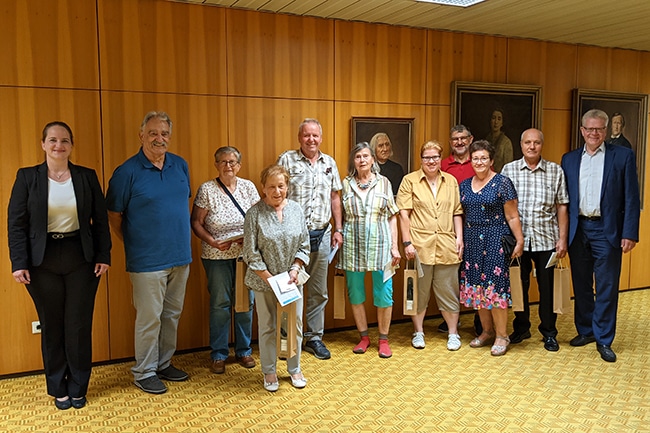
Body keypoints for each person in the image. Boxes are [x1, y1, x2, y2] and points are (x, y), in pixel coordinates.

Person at [8, 121, 111, 410]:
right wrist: (19, 263)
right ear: (43, 144)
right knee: (52, 325)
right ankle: (58, 386)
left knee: (78, 325)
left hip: (82, 257)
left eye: (64, 140)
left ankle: (79, 385)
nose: (58, 145)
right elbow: (16, 224)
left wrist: (104, 255)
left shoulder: (86, 176)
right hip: (42, 261)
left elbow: (100, 221)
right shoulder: (27, 178)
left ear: (71, 145)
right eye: (52, 140)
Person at [106, 111, 192, 394]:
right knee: (149, 318)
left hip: (180, 256)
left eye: (164, 133)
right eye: (153, 133)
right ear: (141, 135)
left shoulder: (180, 165)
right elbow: (115, 216)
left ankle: (163, 363)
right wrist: (133, 243)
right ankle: (144, 371)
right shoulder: (126, 172)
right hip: (147, 261)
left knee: (171, 315)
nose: (159, 138)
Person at [561, 109, 640, 363]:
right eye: (589, 129)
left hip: (608, 231)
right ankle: (586, 331)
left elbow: (631, 198)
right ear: (582, 131)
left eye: (599, 129)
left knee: (606, 286)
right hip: (578, 229)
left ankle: (604, 338)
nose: (594, 133)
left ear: (605, 131)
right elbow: (563, 201)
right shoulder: (569, 159)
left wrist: (629, 233)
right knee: (582, 284)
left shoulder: (623, 156)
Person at [277, 118, 343, 360]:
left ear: (321, 138)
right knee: (293, 288)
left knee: (318, 290)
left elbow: (335, 197)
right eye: (306, 135)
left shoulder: (330, 163)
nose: (311, 139)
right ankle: (289, 338)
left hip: (323, 234)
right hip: (294, 236)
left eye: (315, 135)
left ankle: (314, 337)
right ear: (299, 138)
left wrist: (338, 228)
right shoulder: (287, 159)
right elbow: (277, 193)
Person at [191, 146, 260, 375]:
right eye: (223, 161)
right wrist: (213, 242)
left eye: (232, 162)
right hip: (216, 255)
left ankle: (244, 351)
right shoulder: (207, 189)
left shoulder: (249, 187)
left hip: (243, 257)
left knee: (245, 303)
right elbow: (196, 223)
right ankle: (219, 354)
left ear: (239, 165)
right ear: (216, 164)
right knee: (220, 304)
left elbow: (259, 218)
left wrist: (248, 240)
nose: (228, 166)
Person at [243, 165, 310, 392]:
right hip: (264, 281)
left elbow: (304, 245)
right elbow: (250, 252)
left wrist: (295, 269)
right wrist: (270, 278)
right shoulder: (254, 213)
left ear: (287, 186)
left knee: (294, 324)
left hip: (292, 280)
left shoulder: (297, 210)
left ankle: (294, 368)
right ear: (263, 188)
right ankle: (269, 371)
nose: (277, 191)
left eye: (281, 186)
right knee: (268, 326)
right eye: (271, 186)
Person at [501, 128, 569, 351]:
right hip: (517, 241)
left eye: (536, 143)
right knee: (518, 286)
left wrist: (562, 239)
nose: (532, 146)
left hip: (546, 240)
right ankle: (521, 327)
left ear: (542, 145)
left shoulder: (555, 171)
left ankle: (549, 332)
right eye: (528, 142)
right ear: (521, 145)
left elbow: (562, 207)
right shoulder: (508, 170)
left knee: (547, 289)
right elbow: (504, 208)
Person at [397, 141, 464, 351]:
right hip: (419, 245)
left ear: (440, 158)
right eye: (427, 157)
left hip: (446, 244)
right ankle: (418, 332)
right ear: (421, 159)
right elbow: (403, 214)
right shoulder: (410, 181)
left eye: (435, 157)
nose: (431, 161)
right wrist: (406, 242)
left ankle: (453, 333)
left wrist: (459, 238)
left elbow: (456, 212)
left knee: (449, 291)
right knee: (418, 292)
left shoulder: (451, 181)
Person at [459, 140, 524, 356]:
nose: (479, 162)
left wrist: (520, 240)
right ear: (471, 160)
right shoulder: (465, 185)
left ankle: (502, 335)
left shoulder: (503, 183)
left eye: (483, 158)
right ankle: (486, 331)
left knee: (495, 290)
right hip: (472, 241)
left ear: (491, 160)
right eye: (475, 158)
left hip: (495, 239)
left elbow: (512, 215)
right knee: (478, 289)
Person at [337, 143, 401, 358]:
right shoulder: (345, 185)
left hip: (381, 247)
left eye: (366, 156)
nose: (362, 160)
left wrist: (395, 246)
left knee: (384, 294)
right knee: (355, 294)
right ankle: (363, 337)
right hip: (353, 247)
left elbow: (393, 216)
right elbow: (340, 215)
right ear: (353, 161)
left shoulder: (384, 183)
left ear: (373, 159)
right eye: (358, 157)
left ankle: (383, 339)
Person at [439, 124, 482, 336]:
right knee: (449, 275)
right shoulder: (442, 165)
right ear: (450, 142)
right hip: (448, 228)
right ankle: (450, 318)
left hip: (476, 226)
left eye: (463, 138)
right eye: (455, 139)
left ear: (470, 139)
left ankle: (479, 317)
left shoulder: (478, 162)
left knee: (475, 272)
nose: (459, 142)